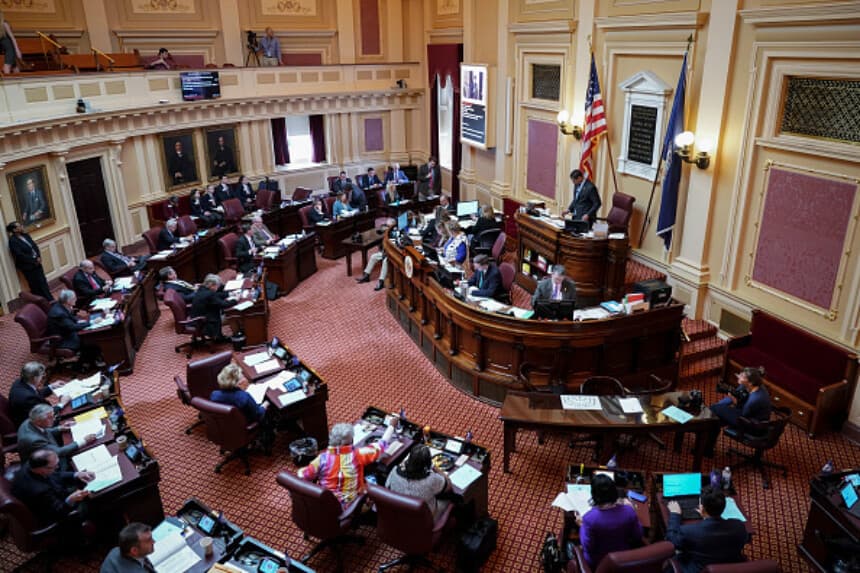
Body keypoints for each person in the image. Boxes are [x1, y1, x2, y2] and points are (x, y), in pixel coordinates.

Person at [298, 418, 397, 507]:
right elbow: (381, 445)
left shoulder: (321, 459)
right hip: (350, 506)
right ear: (351, 441)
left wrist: (302, 470)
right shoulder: (359, 455)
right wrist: (391, 426)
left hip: (324, 503)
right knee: (374, 484)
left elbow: (303, 476)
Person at [666, 487, 749, 573]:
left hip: (699, 569)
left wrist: (675, 515)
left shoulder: (689, 531)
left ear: (702, 508)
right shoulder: (739, 526)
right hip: (730, 567)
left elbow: (672, 541)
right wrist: (705, 515)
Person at [12, 449, 93, 528]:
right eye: (54, 466)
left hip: (53, 494)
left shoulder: (31, 465)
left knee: (80, 484)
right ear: (41, 469)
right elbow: (59, 512)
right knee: (90, 502)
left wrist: (77, 474)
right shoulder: (40, 491)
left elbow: (55, 475)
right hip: (50, 515)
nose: (57, 467)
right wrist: (71, 499)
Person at [578, 474, 643, 570]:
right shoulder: (629, 511)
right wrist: (632, 511)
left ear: (594, 495)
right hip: (623, 558)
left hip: (598, 562)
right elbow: (638, 535)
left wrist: (582, 526)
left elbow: (587, 546)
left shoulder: (589, 519)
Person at [705, 366, 772, 456]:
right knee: (717, 417)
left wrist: (733, 402)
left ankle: (706, 445)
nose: (738, 376)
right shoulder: (751, 385)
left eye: (742, 376)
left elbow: (744, 414)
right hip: (749, 416)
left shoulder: (755, 399)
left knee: (715, 410)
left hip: (752, 425)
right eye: (740, 374)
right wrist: (721, 404)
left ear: (751, 382)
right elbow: (734, 395)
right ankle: (707, 449)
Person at [385, 444, 452, 519]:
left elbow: (387, 486)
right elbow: (448, 486)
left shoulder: (394, 471)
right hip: (424, 518)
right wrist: (434, 467)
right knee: (449, 500)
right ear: (427, 465)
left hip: (400, 513)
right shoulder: (432, 479)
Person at [17, 404, 96, 465]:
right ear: (39, 421)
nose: (54, 419)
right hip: (47, 466)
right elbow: (59, 452)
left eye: (53, 416)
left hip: (50, 446)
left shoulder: (31, 420)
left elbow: (43, 430)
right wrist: (83, 441)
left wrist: (60, 428)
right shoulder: (34, 440)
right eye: (50, 418)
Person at [46, 289, 101, 368]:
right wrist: (91, 323)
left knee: (89, 334)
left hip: (65, 332)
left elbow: (70, 319)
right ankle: (88, 362)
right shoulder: (59, 313)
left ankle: (94, 358)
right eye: (74, 298)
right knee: (88, 338)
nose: (76, 299)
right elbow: (72, 327)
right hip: (63, 340)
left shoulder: (62, 306)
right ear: (68, 301)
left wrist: (80, 321)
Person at [9, 361, 69, 427]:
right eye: (42, 375)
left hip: (29, 414)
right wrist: (61, 404)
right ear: (35, 378)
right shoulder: (28, 399)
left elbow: (35, 393)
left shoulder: (20, 382)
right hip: (33, 425)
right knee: (69, 416)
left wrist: (51, 386)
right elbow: (45, 415)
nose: (43, 377)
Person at [7, 220, 53, 300]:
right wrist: (34, 260)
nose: (21, 226)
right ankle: (41, 302)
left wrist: (38, 256)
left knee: (43, 282)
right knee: (35, 285)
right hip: (28, 266)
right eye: (19, 226)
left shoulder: (25, 235)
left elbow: (34, 246)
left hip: (37, 263)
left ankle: (50, 299)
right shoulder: (13, 241)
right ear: (14, 230)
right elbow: (19, 255)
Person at [190, 274, 232, 341]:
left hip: (196, 318)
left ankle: (219, 335)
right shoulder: (209, 294)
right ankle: (222, 337)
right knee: (231, 315)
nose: (217, 288)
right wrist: (236, 299)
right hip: (205, 322)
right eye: (217, 286)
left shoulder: (201, 289)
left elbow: (217, 296)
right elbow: (224, 304)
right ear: (212, 285)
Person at [1, 10, 22, 74]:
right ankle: (19, 82)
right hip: (4, 49)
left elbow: (13, 38)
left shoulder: (4, 24)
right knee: (15, 68)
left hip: (10, 49)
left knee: (6, 68)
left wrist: (17, 50)